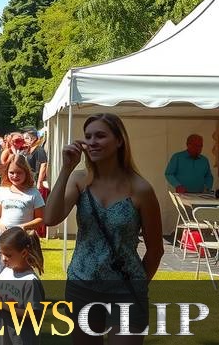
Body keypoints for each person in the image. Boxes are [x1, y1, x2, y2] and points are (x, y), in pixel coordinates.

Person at [44, 113, 164, 344]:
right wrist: (66, 169)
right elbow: (50, 218)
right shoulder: (79, 180)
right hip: (82, 285)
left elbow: (155, 250)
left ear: (119, 141)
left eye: (100, 135)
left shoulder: (140, 189)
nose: (92, 142)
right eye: (88, 136)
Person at [0, 227, 46, 345]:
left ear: (24, 253)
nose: (3, 259)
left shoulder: (30, 281)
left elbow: (33, 315)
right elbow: (0, 295)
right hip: (1, 337)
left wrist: (2, 305)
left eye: (8, 255)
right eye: (1, 254)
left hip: (21, 339)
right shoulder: (6, 271)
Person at [0, 155, 44, 276]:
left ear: (26, 172)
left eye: (19, 173)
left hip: (23, 239)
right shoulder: (2, 190)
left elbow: (41, 219)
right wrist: (0, 225)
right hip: (4, 236)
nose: (15, 176)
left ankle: (24, 292)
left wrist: (23, 226)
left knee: (23, 270)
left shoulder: (33, 193)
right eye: (11, 172)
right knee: (4, 269)